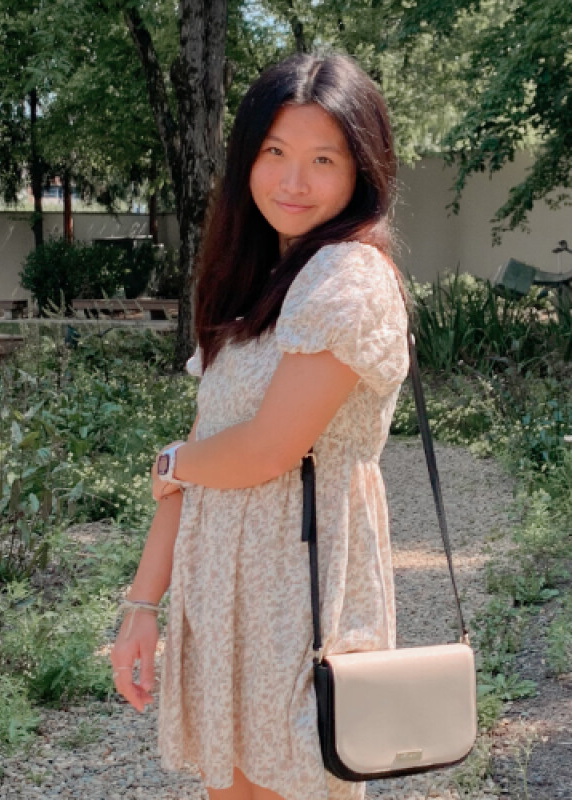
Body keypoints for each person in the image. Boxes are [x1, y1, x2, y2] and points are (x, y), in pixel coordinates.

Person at [110, 52, 412, 800]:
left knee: (300, 779)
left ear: (361, 169)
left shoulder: (347, 276)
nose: (292, 181)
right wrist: (141, 605)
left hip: (299, 589)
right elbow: (202, 448)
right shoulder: (254, 279)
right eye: (274, 152)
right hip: (224, 591)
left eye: (322, 159)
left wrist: (173, 461)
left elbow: (263, 450)